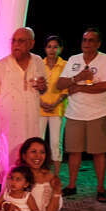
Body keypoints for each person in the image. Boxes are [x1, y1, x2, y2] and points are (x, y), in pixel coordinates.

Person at [0, 27, 48, 188]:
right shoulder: (2, 65)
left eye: (21, 41)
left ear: (31, 43)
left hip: (30, 123)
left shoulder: (38, 61)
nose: (16, 45)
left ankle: (29, 198)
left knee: (32, 160)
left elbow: (43, 88)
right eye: (14, 41)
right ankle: (6, 198)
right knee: (8, 163)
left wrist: (42, 86)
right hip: (7, 127)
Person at [56, 28, 106, 202]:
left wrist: (80, 87)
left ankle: (101, 188)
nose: (87, 44)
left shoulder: (105, 59)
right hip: (75, 113)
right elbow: (60, 84)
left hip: (97, 113)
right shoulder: (74, 59)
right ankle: (72, 185)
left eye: (91, 40)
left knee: (99, 152)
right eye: (84, 40)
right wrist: (78, 77)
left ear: (98, 43)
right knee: (74, 151)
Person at [38, 35, 67, 178]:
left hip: (58, 109)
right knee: (38, 142)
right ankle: (39, 173)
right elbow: (33, 85)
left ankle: (56, 176)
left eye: (55, 47)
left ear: (60, 49)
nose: (52, 49)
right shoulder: (38, 64)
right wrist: (41, 102)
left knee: (56, 143)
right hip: (40, 108)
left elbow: (67, 88)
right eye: (49, 46)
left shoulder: (65, 65)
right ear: (45, 48)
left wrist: (55, 103)